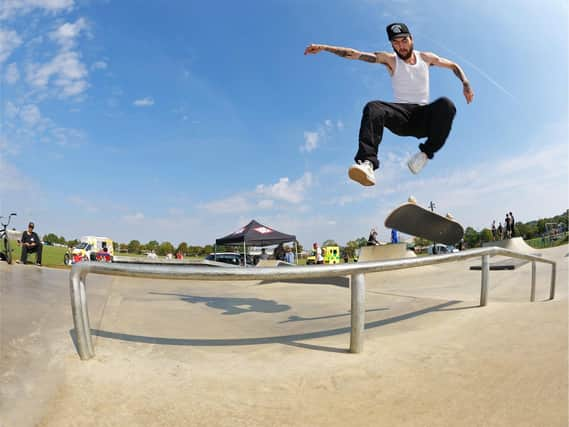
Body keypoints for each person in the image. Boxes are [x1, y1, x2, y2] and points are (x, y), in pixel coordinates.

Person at [304, 22, 474, 186]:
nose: (401, 47)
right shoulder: (390, 60)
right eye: (396, 43)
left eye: (404, 41)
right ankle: (367, 164)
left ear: (411, 39)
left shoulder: (426, 58)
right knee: (374, 107)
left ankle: (425, 154)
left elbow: (453, 65)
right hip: (402, 117)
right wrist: (325, 48)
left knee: (447, 105)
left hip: (423, 117)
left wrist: (465, 83)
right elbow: (355, 54)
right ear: (392, 45)